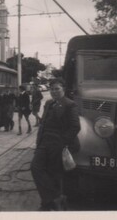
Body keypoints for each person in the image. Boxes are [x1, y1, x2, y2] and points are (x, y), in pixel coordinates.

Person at [30, 78, 80, 211]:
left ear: (63, 89)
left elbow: (75, 127)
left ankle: (47, 203)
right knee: (35, 167)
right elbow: (43, 124)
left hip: (58, 144)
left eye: (57, 89)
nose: (54, 91)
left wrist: (63, 143)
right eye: (52, 89)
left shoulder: (70, 105)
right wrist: (38, 142)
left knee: (54, 173)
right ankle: (55, 197)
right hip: (44, 142)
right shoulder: (48, 103)